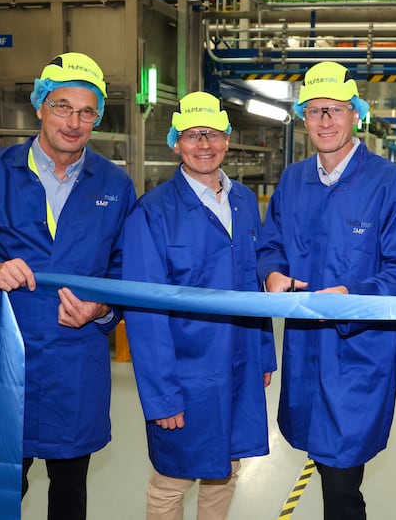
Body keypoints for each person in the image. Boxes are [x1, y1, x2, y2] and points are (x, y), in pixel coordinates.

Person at [0, 52, 136, 520]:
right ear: (40, 106)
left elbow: (125, 269)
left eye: (87, 111)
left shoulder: (115, 185)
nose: (74, 121)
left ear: (97, 118)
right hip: (5, 356)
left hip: (75, 359)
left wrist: (101, 309)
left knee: (69, 494)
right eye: (63, 106)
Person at [257, 61, 396, 520]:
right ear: (304, 118)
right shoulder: (293, 181)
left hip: (358, 351)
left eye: (335, 110)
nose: (325, 120)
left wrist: (351, 293)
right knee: (323, 458)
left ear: (356, 114)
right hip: (304, 349)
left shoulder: (390, 184)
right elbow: (268, 244)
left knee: (341, 478)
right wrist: (271, 273)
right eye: (315, 111)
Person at [122, 91, 276, 520]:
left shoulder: (244, 203)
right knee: (173, 479)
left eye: (212, 134)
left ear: (227, 140)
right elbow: (145, 312)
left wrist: (264, 354)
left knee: (227, 469)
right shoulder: (152, 213)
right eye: (192, 135)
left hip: (240, 365)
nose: (204, 144)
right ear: (176, 143)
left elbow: (253, 286)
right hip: (186, 376)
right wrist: (162, 397)